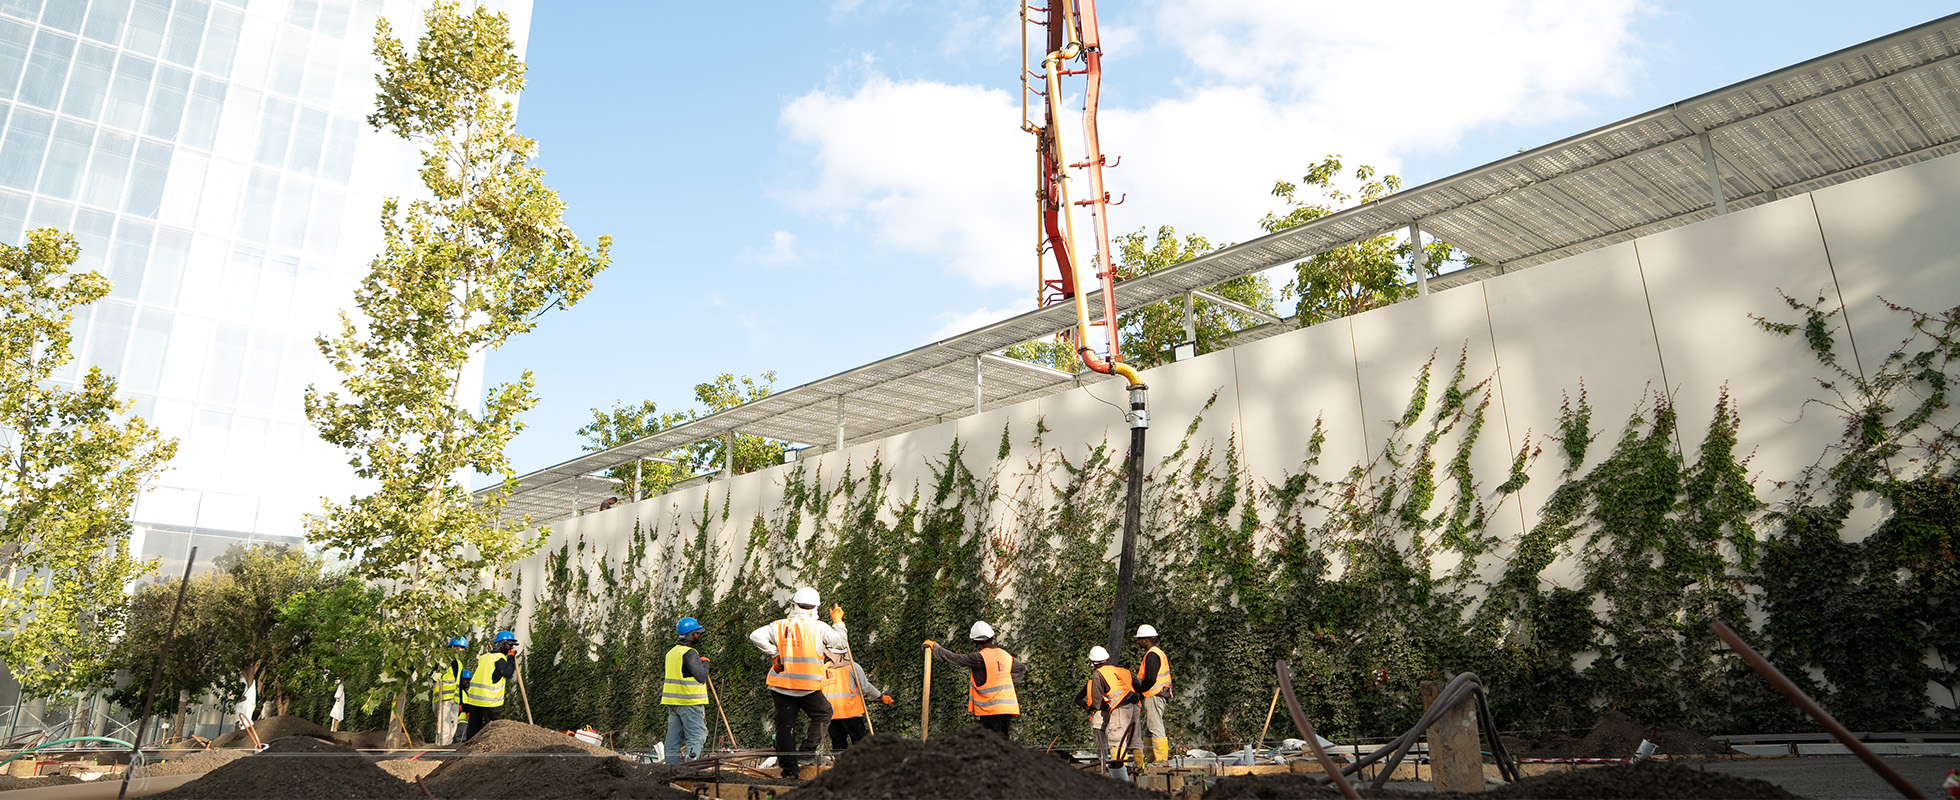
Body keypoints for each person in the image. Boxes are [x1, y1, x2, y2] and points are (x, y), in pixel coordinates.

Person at [749, 586, 848, 777]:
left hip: (781, 686)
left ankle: (789, 771)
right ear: (816, 608)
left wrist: (775, 653)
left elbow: (755, 636)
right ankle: (806, 752)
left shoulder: (779, 625)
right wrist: (838, 622)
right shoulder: (820, 628)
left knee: (785, 727)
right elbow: (841, 644)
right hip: (807, 687)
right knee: (824, 712)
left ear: (794, 604)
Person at [924, 621, 1025, 739]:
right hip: (1007, 708)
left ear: (975, 641)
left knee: (992, 743)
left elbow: (955, 658)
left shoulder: (979, 658)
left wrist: (935, 647)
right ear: (992, 637)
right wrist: (1004, 681)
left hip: (991, 709)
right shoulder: (1005, 655)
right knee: (1003, 741)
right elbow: (1021, 669)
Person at [1080, 645, 1142, 783]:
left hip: (1120, 707)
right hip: (1134, 705)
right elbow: (1138, 685)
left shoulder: (1098, 673)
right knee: (1135, 737)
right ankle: (1140, 767)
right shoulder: (1121, 670)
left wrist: (1095, 708)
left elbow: (1096, 698)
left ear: (1093, 663)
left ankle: (1120, 771)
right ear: (1106, 658)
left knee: (1116, 738)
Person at [821, 643, 892, 751]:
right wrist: (881, 696)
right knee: (861, 744)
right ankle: (863, 766)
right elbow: (865, 687)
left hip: (832, 714)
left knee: (838, 746)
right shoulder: (852, 667)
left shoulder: (824, 669)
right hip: (851, 712)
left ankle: (841, 767)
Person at [663, 617, 712, 764]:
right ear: (691, 635)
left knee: (673, 739)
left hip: (674, 703)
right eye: (697, 633)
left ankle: (669, 769)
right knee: (696, 736)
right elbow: (701, 676)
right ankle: (690, 768)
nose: (698, 636)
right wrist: (706, 663)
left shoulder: (671, 653)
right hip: (690, 702)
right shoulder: (689, 653)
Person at [459, 631, 519, 741]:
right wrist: (511, 658)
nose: (511, 647)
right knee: (495, 728)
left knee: (474, 727)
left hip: (475, 699)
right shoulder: (499, 658)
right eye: (509, 645)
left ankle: (469, 749)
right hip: (489, 700)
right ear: (502, 644)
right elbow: (508, 673)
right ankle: (494, 749)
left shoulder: (484, 657)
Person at [1133, 624, 1173, 764]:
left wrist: (1140, 691)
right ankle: (1151, 759)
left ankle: (1161, 761)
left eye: (1139, 639)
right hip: (1154, 695)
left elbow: (1150, 679)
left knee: (1155, 727)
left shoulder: (1152, 655)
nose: (1138, 642)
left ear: (1146, 640)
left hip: (1155, 695)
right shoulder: (1155, 653)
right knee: (1149, 727)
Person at [433, 636, 469, 746]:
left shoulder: (459, 663)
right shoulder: (443, 659)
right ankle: (442, 747)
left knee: (453, 726)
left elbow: (458, 683)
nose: (462, 651)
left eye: (463, 648)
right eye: (460, 648)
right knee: (444, 725)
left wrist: (460, 702)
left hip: (454, 699)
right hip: (444, 698)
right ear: (452, 647)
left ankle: (447, 746)